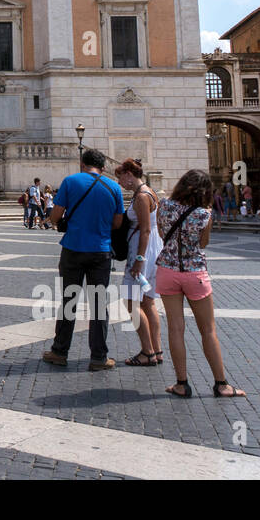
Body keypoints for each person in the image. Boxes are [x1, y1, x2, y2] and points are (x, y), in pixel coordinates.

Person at [156, 168, 246, 399]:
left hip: (167, 269)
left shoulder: (164, 206)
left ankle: (181, 384)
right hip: (194, 272)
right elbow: (203, 244)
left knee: (175, 329)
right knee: (208, 330)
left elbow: (161, 234)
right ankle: (221, 384)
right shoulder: (204, 214)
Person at [41, 148, 123, 372]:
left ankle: (59, 352)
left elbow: (55, 216)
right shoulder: (114, 187)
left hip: (73, 249)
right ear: (103, 167)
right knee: (99, 304)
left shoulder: (70, 181)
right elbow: (117, 223)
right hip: (101, 252)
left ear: (82, 164)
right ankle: (98, 357)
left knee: (69, 301)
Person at [115, 158, 163, 368]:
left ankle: (147, 351)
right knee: (148, 301)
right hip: (153, 249)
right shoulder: (149, 192)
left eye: (121, 177)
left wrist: (139, 260)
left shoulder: (142, 196)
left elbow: (145, 229)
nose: (120, 183)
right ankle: (157, 350)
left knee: (130, 301)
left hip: (142, 251)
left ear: (129, 173)